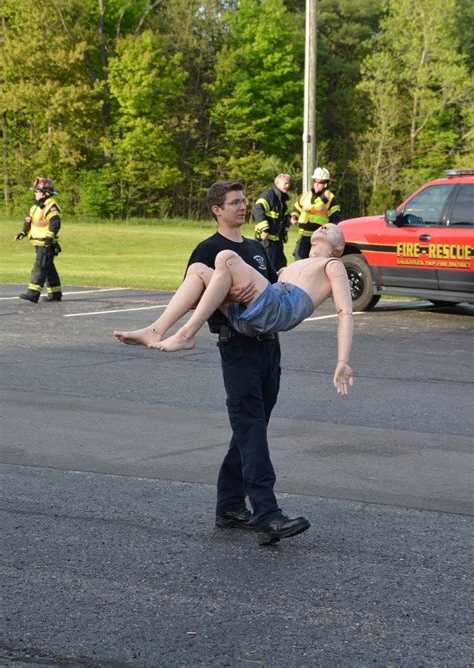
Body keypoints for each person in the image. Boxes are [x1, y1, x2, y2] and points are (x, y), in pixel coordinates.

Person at [114, 180, 311, 546]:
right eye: (234, 202)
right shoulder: (209, 249)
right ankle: (268, 515)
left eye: (243, 201)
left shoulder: (254, 247)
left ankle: (229, 505)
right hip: (237, 348)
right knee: (251, 428)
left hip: (269, 348)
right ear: (216, 209)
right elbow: (194, 294)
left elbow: (269, 293)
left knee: (250, 429)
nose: (242, 207)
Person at [114, 224, 353, 397]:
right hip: (247, 318)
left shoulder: (333, 265)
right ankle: (155, 330)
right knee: (198, 269)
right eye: (323, 225)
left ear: (339, 247)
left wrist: (342, 360)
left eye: (331, 229)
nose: (323, 227)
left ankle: (186, 335)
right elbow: (205, 297)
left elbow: (345, 313)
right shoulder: (290, 267)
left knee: (227, 257)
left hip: (279, 308)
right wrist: (227, 291)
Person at [14, 177, 62, 303]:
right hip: (38, 242)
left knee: (40, 267)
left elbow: (55, 223)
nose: (35, 193)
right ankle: (55, 293)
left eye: (37, 191)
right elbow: (29, 221)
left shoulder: (50, 206)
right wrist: (23, 232)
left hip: (45, 243)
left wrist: (49, 238)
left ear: (45, 193)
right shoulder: (35, 207)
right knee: (48, 267)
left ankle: (33, 293)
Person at [291, 166, 342, 260]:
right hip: (304, 236)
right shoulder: (306, 195)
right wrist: (294, 216)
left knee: (315, 262)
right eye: (315, 181)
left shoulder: (329, 198)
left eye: (320, 182)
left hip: (319, 237)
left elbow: (335, 218)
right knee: (299, 259)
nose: (317, 184)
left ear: (326, 184)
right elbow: (297, 208)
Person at [253, 173, 291, 271]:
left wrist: (285, 233)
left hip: (277, 241)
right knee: (266, 267)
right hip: (267, 241)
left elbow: (285, 218)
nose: (287, 186)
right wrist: (264, 230)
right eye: (285, 183)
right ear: (277, 183)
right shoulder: (268, 195)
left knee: (281, 266)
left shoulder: (282, 198)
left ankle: (278, 285)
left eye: (288, 183)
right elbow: (258, 209)